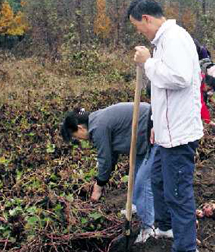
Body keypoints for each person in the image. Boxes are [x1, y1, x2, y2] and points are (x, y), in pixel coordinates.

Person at [130, 0, 202, 252]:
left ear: (146, 19)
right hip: (165, 132)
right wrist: (154, 124)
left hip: (179, 135)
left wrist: (147, 63)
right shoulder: (163, 42)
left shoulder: (174, 39)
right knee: (159, 181)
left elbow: (180, 78)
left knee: (177, 192)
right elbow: (162, 91)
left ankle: (186, 249)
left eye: (138, 26)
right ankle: (166, 228)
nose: (140, 31)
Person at [60, 102, 156, 243]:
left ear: (80, 128)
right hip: (141, 136)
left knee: (144, 182)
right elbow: (111, 155)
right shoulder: (97, 120)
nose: (79, 139)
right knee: (136, 172)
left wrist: (98, 187)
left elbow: (105, 160)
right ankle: (135, 205)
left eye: (76, 136)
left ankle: (148, 229)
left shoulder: (98, 127)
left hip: (150, 127)